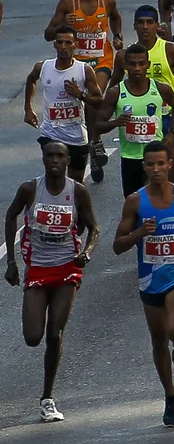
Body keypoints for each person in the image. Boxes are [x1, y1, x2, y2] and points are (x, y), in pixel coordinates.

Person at [4, 142, 100, 423]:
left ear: (68, 160)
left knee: (54, 334)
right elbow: (10, 217)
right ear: (43, 160)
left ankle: (47, 398)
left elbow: (94, 228)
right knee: (32, 337)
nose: (55, 160)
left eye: (60, 156)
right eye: (50, 156)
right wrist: (11, 262)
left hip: (67, 269)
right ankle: (46, 394)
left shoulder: (77, 192)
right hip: (37, 269)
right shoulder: (30, 189)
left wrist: (87, 253)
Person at [112, 142, 174, 427]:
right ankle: (170, 395)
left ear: (169, 165)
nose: (155, 169)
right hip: (150, 279)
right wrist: (140, 232)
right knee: (158, 339)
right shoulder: (135, 202)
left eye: (160, 164)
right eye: (150, 164)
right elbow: (117, 246)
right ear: (144, 167)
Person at [43, 0, 123, 181]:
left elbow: (115, 17)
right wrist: (60, 25)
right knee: (80, 105)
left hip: (101, 60)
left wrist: (117, 36)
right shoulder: (67, 4)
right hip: (75, 64)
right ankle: (90, 146)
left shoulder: (107, 1)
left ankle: (95, 141)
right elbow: (48, 34)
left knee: (94, 93)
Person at [110, 6, 174, 182]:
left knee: (173, 181)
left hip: (168, 118)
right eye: (141, 22)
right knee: (141, 182)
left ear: (157, 26)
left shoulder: (170, 49)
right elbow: (113, 88)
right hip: (139, 121)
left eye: (149, 22)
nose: (145, 27)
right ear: (134, 26)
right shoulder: (124, 55)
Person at [98, 44, 174, 197]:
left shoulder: (160, 88)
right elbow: (98, 125)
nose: (137, 68)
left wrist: (172, 133)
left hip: (155, 158)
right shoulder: (116, 92)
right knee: (133, 203)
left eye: (141, 63)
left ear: (147, 65)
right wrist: (115, 122)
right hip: (130, 158)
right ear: (125, 66)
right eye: (132, 64)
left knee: (159, 200)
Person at [24, 25, 102, 182]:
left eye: (68, 42)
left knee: (76, 182)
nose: (63, 47)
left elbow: (99, 101)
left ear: (75, 45)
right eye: (59, 42)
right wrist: (28, 108)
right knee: (54, 177)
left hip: (76, 135)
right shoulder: (43, 67)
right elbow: (31, 80)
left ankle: (78, 207)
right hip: (50, 133)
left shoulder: (84, 70)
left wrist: (80, 94)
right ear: (54, 45)